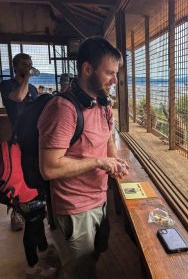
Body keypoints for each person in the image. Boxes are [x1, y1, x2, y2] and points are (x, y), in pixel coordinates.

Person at [38, 36, 129, 279]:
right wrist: (100, 162)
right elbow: (49, 168)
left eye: (116, 73)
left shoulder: (102, 103)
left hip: (99, 198)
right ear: (87, 69)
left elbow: (107, 136)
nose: (114, 80)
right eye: (109, 73)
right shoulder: (63, 110)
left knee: (94, 256)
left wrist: (113, 160)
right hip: (74, 207)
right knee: (79, 271)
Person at [0, 53, 39, 232]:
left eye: (30, 64)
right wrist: (28, 77)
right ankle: (15, 212)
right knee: (16, 177)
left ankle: (32, 206)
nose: (28, 67)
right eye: (25, 64)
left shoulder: (32, 87)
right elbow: (19, 98)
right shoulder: (7, 84)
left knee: (32, 175)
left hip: (34, 137)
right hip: (18, 139)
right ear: (15, 66)